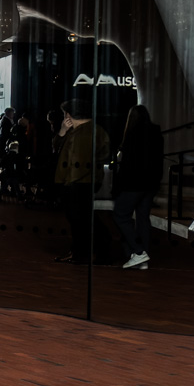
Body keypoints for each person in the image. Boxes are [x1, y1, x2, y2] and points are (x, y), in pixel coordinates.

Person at [54, 96, 111, 265]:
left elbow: (75, 160)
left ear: (70, 114)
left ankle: (84, 252)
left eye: (65, 113)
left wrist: (69, 181)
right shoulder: (87, 130)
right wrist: (62, 132)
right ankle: (86, 251)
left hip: (77, 181)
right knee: (81, 218)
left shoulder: (86, 132)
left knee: (80, 218)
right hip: (81, 181)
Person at [112, 103, 160, 270]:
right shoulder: (156, 133)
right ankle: (141, 257)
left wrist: (117, 187)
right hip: (150, 184)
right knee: (143, 219)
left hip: (133, 183)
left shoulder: (132, 135)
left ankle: (138, 252)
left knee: (120, 215)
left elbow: (127, 166)